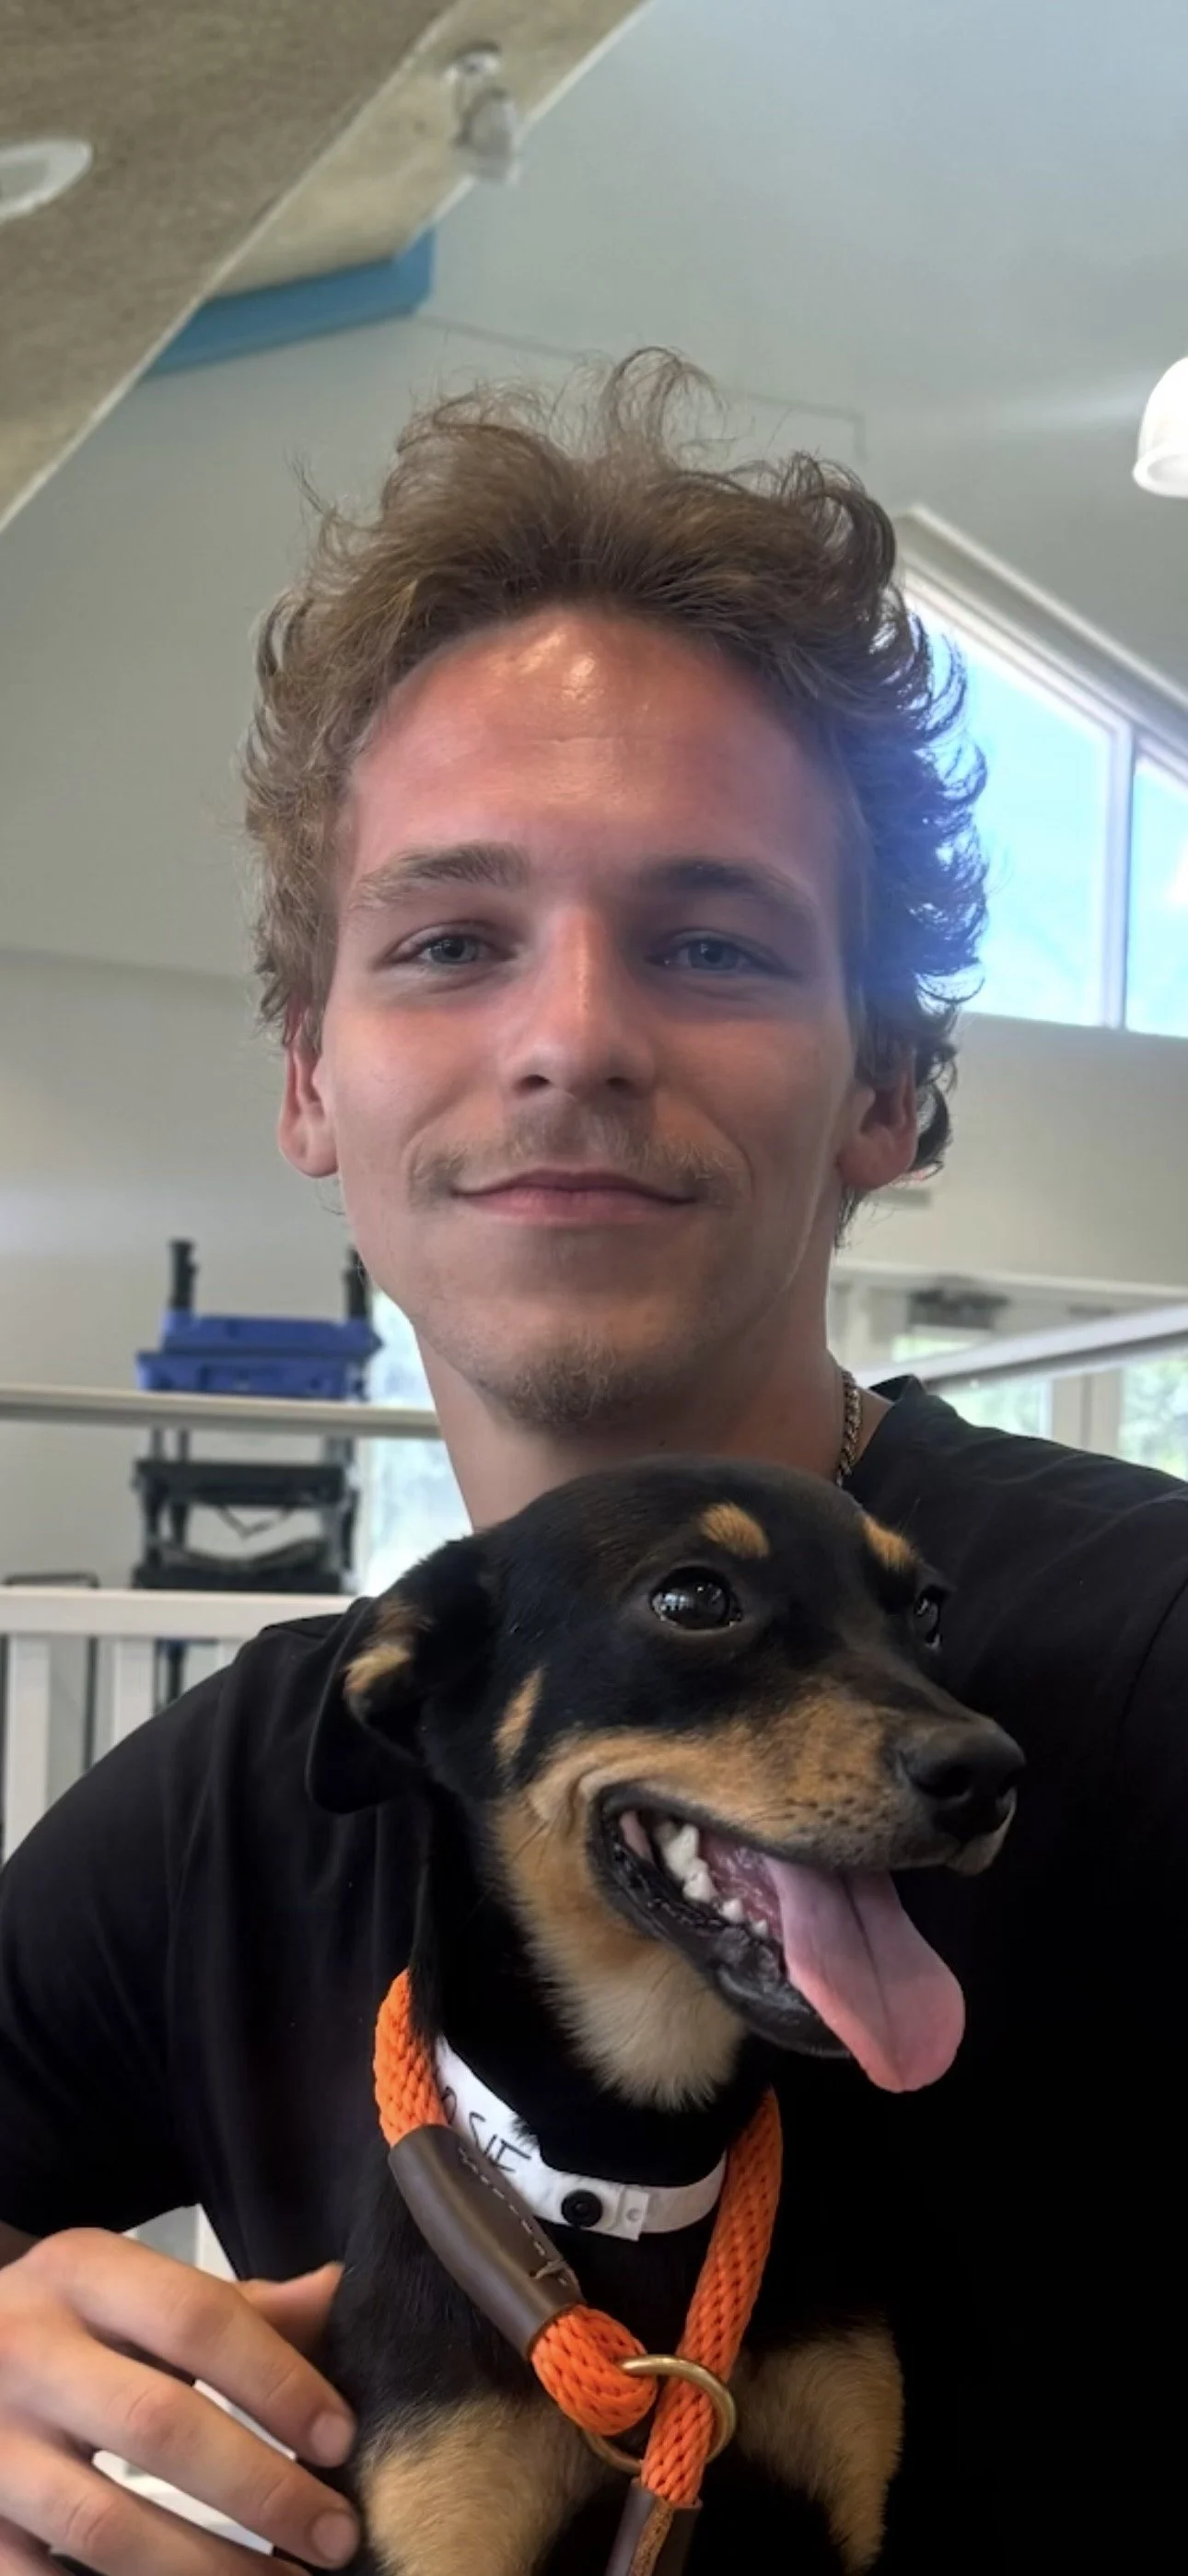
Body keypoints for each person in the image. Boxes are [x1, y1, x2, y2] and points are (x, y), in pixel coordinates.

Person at [1, 354, 1184, 2576]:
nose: (568, 1034)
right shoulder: (258, 1780)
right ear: (313, 1087)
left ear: (887, 1096)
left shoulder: (1151, 1658)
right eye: (450, 943)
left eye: (710, 941)